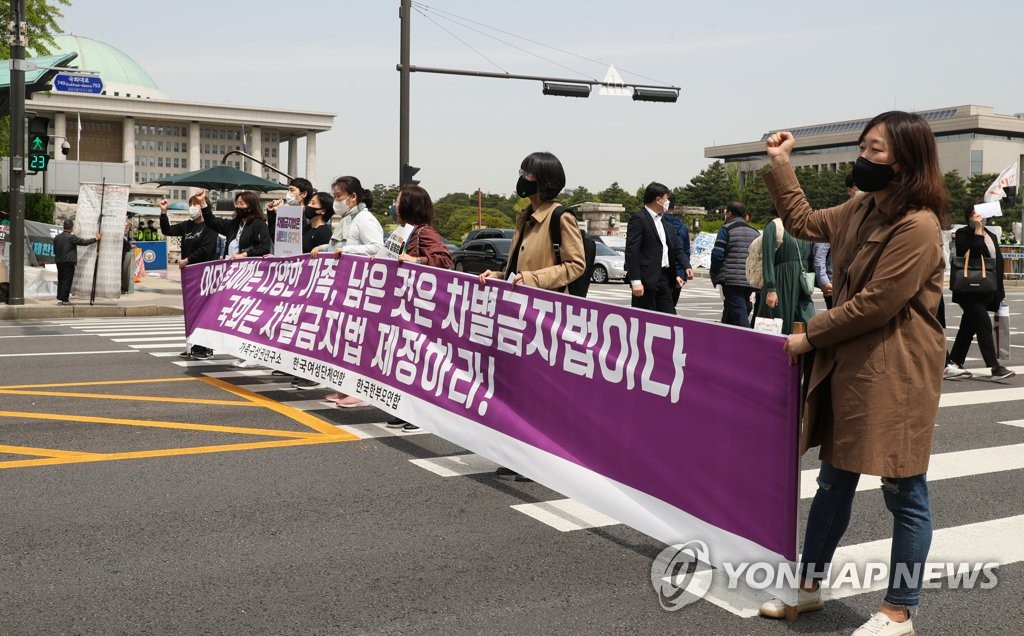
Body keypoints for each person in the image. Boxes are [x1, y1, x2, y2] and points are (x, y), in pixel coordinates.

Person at [759, 112, 949, 636]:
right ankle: (808, 584)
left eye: (876, 150)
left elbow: (877, 303)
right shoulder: (863, 207)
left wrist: (809, 335)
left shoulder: (919, 225)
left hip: (898, 369)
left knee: (904, 489)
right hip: (852, 363)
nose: (864, 158)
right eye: (863, 147)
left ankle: (899, 609)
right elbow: (802, 222)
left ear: (905, 162)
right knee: (834, 479)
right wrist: (781, 164)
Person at [479, 151, 585, 481]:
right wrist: (501, 275)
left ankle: (539, 459)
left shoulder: (559, 216)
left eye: (527, 174)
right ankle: (517, 454)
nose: (522, 179)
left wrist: (535, 279)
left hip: (545, 315)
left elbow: (576, 265)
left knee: (540, 390)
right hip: (516, 314)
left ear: (543, 179)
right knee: (517, 387)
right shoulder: (525, 216)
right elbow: (518, 266)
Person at [310, 176, 385, 406]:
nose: (336, 201)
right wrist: (325, 248)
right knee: (344, 341)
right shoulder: (347, 219)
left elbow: (377, 248)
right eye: (334, 196)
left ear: (353, 197)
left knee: (356, 342)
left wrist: (347, 249)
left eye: (339, 196)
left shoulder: (364, 219)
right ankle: (345, 388)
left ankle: (359, 392)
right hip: (345, 290)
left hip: (359, 290)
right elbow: (337, 245)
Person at [386, 184, 453, 431]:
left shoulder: (424, 232)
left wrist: (418, 260)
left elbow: (445, 260)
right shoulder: (402, 232)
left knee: (417, 361)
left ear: (410, 205)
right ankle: (406, 410)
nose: (394, 205)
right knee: (404, 360)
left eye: (398, 200)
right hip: (403, 307)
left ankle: (420, 414)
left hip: (420, 309)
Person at [945, 203, 1013, 380]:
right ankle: (995, 367)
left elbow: (996, 264)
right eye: (976, 214)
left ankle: (954, 361)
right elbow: (973, 254)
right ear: (969, 216)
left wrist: (1000, 291)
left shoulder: (991, 234)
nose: (980, 217)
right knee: (983, 324)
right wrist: (977, 231)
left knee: (968, 327)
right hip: (968, 290)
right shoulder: (963, 234)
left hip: (985, 290)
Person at [161, 196, 221, 359]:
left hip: (203, 273)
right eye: (190, 204)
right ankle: (195, 345)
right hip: (189, 274)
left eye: (196, 204)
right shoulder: (187, 225)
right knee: (193, 310)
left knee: (204, 310)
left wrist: (187, 260)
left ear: (204, 206)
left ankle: (207, 348)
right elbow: (168, 231)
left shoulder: (210, 226)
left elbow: (206, 249)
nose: (192, 207)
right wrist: (163, 212)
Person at [624, 182, 688, 314]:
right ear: (658, 200)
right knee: (644, 320)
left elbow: (675, 248)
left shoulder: (665, 223)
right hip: (646, 280)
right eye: (666, 199)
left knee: (668, 318)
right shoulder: (639, 219)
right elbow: (632, 251)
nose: (668, 202)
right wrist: (635, 281)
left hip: (665, 279)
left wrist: (685, 267)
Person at [751, 212, 816, 335]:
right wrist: (771, 288)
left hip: (801, 286)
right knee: (778, 328)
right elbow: (768, 260)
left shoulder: (803, 227)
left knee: (810, 324)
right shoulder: (774, 226)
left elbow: (809, 258)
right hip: (780, 283)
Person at [709, 201, 759, 327]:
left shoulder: (726, 229)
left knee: (739, 314)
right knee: (732, 309)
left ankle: (746, 342)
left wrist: (714, 273)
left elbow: (717, 255)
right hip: (749, 279)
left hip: (731, 279)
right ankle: (723, 338)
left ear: (729, 213)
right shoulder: (755, 232)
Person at [200, 190, 272, 260]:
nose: (238, 206)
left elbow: (264, 248)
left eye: (241, 204)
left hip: (247, 267)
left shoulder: (259, 224)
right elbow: (212, 222)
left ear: (251, 207)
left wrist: (244, 255)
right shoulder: (234, 224)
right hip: (230, 265)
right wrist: (203, 203)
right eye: (237, 203)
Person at [52, 219, 100, 306]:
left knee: (61, 280)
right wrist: (95, 239)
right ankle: (65, 299)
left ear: (64, 227)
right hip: (68, 262)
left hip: (59, 261)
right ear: (71, 228)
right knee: (67, 280)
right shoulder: (71, 237)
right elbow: (83, 242)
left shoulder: (57, 238)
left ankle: (61, 297)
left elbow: (55, 251)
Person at [663, 194, 694, 308]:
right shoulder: (682, 226)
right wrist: (684, 273)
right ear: (674, 207)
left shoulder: (657, 223)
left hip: (661, 273)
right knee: (671, 306)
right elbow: (685, 251)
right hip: (679, 272)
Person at [121, 221, 135, 294]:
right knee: (124, 271)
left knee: (126, 271)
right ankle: (124, 287)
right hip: (123, 255)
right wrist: (129, 247)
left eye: (128, 226)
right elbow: (124, 245)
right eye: (126, 226)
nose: (127, 228)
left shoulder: (125, 235)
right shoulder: (121, 235)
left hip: (126, 254)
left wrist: (130, 246)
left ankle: (125, 286)